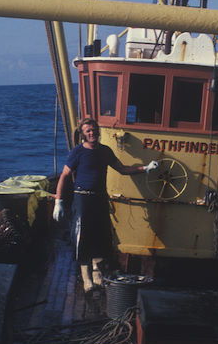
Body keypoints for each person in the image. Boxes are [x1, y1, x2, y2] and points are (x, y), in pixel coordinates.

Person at [53, 117, 158, 293]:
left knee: (100, 236)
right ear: (83, 134)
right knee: (82, 237)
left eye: (94, 129)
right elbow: (64, 175)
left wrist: (144, 168)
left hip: (100, 198)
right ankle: (86, 279)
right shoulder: (77, 152)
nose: (92, 133)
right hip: (82, 199)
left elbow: (122, 169)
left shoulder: (105, 151)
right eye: (88, 131)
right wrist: (58, 201)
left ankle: (97, 274)